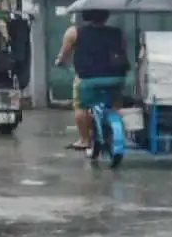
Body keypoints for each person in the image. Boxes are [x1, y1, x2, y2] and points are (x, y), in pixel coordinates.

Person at [55, 9, 129, 151]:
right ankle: (116, 128)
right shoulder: (118, 33)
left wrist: (59, 61)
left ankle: (84, 139)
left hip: (88, 79)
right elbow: (123, 52)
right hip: (116, 78)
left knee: (81, 106)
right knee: (115, 104)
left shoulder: (74, 32)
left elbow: (64, 55)